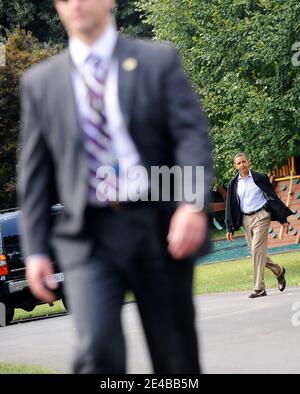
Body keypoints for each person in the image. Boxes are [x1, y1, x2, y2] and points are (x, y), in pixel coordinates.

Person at [18, 0, 213, 374]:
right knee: (97, 353)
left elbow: (190, 136)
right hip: (88, 237)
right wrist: (36, 250)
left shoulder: (157, 61)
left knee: (175, 358)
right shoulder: (41, 83)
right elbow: (35, 176)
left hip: (157, 226)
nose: (75, 4)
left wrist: (191, 203)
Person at [225, 153, 292, 299]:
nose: (242, 165)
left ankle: (259, 288)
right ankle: (279, 271)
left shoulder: (259, 177)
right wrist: (229, 227)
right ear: (235, 166)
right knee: (257, 252)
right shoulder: (233, 183)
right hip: (245, 219)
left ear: (248, 162)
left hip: (262, 215)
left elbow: (273, 197)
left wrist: (282, 219)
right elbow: (230, 206)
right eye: (239, 163)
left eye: (244, 162)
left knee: (256, 250)